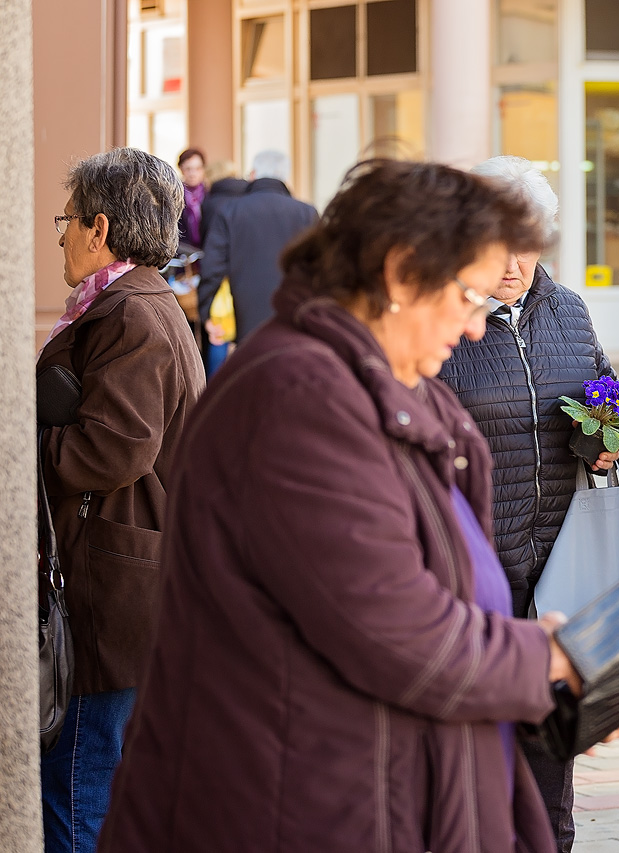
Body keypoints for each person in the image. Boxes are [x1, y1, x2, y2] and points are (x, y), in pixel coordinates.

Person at [98, 161, 590, 853]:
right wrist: (545, 659)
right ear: (399, 273)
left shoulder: (390, 386)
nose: (477, 327)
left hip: (365, 791)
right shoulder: (298, 398)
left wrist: (546, 686)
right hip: (293, 808)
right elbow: (398, 629)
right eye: (468, 296)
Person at [438, 155, 619, 852]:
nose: (513, 262)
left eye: (528, 241)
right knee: (475, 760)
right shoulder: (448, 322)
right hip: (475, 572)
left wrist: (611, 439)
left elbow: (606, 393)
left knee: (550, 759)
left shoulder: (567, 309)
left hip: (559, 570)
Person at [37, 147, 205, 853]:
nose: (63, 236)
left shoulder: (130, 312)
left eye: (66, 221)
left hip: (115, 594)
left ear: (99, 227)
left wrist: (24, 447)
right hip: (127, 582)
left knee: (79, 793)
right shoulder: (137, 301)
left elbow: (111, 449)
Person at [198, 149, 317, 344]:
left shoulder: (229, 212)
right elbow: (319, 267)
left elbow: (212, 267)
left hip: (245, 320)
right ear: (285, 177)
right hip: (295, 317)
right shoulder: (306, 213)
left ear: (253, 174)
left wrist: (206, 312)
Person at [197, 160, 249, 375]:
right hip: (246, 273)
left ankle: (214, 387)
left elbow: (210, 245)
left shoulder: (211, 203)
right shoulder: (248, 199)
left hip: (222, 279)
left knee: (218, 331)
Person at [176, 147, 206, 249]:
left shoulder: (210, 195)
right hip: (183, 253)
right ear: (181, 169)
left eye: (197, 169)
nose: (193, 174)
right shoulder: (175, 196)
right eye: (188, 169)